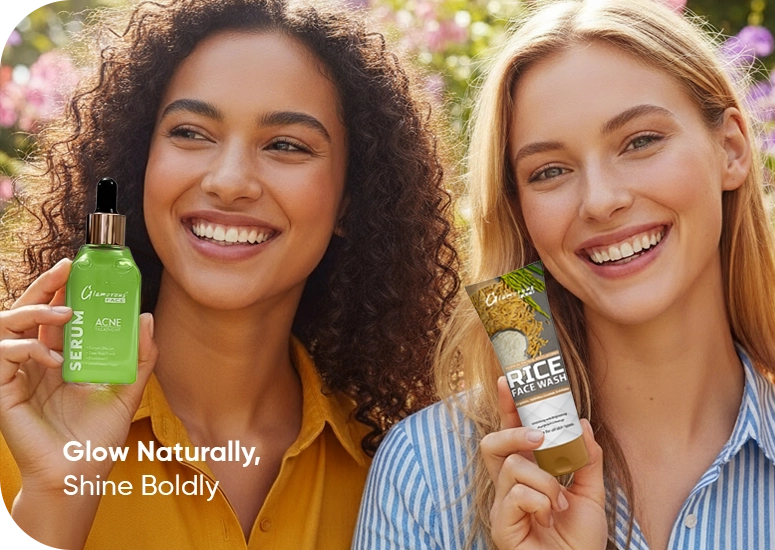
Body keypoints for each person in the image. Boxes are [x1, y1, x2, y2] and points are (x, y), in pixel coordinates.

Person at [356, 0, 775, 548]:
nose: (600, 201)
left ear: (732, 148)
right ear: (521, 209)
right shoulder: (429, 474)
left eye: (640, 141)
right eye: (549, 171)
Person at [0, 0, 459, 546]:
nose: (229, 180)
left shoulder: (407, 476)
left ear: (351, 202)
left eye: (286, 145)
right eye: (191, 133)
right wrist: (56, 497)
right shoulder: (19, 425)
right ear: (138, 161)